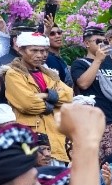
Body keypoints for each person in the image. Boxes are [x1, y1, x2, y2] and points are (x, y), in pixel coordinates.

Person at [4, 31, 74, 164]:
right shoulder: (13, 73)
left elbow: (69, 96)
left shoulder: (50, 74)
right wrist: (54, 101)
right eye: (34, 50)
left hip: (56, 138)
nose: (40, 55)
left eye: (43, 51)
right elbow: (28, 104)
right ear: (20, 50)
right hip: (32, 138)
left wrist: (45, 95)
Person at [70, 26, 112, 158]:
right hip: (93, 123)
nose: (102, 45)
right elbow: (83, 84)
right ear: (87, 43)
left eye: (104, 42)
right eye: (98, 41)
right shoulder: (80, 63)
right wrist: (98, 60)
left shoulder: (111, 62)